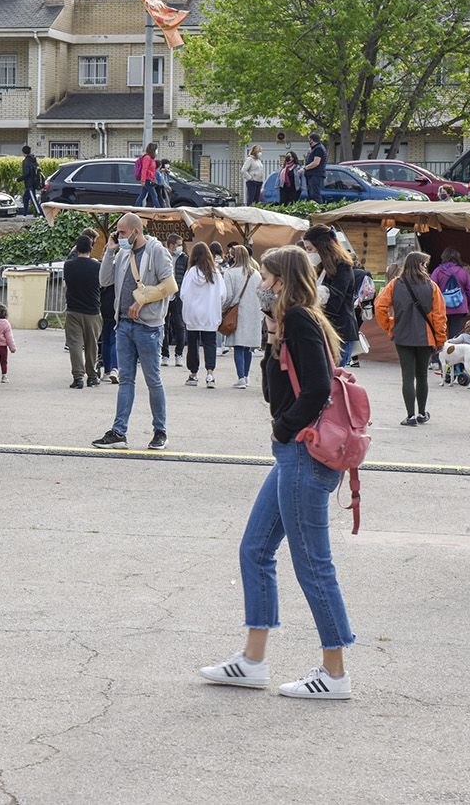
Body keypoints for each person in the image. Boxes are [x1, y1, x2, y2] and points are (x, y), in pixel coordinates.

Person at [198, 245, 356, 699]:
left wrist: (285, 430)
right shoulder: (291, 324)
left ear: (282, 281)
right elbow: (274, 390)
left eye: (265, 280)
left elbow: (317, 390)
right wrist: (272, 336)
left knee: (312, 564)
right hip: (295, 453)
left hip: (303, 454)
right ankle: (252, 660)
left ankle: (335, 673)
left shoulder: (304, 321)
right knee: (255, 549)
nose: (260, 287)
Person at [91, 211, 176, 450]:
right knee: (126, 379)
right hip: (124, 325)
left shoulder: (157, 251)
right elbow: (104, 279)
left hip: (148, 327)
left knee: (153, 380)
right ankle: (119, 432)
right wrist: (109, 250)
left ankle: (160, 431)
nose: (119, 236)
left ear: (136, 231)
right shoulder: (123, 252)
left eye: (123, 232)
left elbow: (170, 285)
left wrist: (142, 300)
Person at [375, 251, 446, 426]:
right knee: (422, 375)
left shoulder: (394, 284)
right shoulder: (432, 286)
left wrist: (389, 325)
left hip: (402, 335)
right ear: (421, 265)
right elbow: (439, 316)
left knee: (407, 375)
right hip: (425, 337)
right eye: (425, 264)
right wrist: (440, 339)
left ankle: (410, 416)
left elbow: (379, 306)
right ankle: (422, 413)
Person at [303, 225, 359, 366]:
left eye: (309, 249)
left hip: (338, 332)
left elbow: (335, 303)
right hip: (322, 329)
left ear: (321, 246)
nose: (308, 253)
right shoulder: (320, 267)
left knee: (331, 379)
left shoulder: (342, 266)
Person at [179, 242, 224, 388]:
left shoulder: (190, 273)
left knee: (193, 345)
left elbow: (183, 294)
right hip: (210, 315)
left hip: (192, 315)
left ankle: (193, 375)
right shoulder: (215, 273)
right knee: (210, 343)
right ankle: (210, 375)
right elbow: (223, 294)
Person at [219, 243, 263, 389]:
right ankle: (247, 376)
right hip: (254, 313)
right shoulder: (255, 273)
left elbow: (228, 295)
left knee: (238, 346)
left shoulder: (231, 273)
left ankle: (241, 378)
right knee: (247, 347)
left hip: (238, 313)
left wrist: (223, 309)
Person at [63, 235, 103, 389]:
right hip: (92, 310)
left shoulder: (68, 266)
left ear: (76, 248)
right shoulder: (97, 266)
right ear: (91, 248)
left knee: (75, 345)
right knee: (92, 345)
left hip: (73, 310)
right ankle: (92, 376)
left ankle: (78, 377)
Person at [429, 247, 470, 338]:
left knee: (440, 335)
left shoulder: (438, 271)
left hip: (441, 308)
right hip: (459, 308)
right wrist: (467, 303)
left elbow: (431, 290)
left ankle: (441, 352)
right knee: (455, 337)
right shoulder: (463, 272)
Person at [161, 235, 189, 366]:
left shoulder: (184, 259)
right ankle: (164, 355)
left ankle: (179, 354)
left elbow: (186, 276)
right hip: (163, 295)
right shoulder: (162, 255)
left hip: (178, 296)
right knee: (163, 325)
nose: (181, 247)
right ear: (171, 245)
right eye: (179, 244)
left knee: (179, 325)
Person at [19, 146, 44, 216]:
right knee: (25, 198)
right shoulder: (33, 160)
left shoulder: (26, 161)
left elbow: (26, 174)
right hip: (34, 182)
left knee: (34, 200)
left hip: (29, 184)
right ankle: (24, 215)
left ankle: (40, 215)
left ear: (23, 152)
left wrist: (18, 179)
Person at [303, 132, 328, 203]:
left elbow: (316, 162)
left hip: (316, 175)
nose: (309, 141)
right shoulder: (314, 149)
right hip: (311, 175)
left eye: (309, 139)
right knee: (311, 195)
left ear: (311, 140)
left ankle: (318, 210)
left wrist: (305, 168)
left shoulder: (319, 148)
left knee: (315, 196)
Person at [136, 143, 161, 207]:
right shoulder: (147, 158)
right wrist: (143, 180)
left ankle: (135, 208)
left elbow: (152, 170)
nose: (156, 151)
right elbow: (144, 169)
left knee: (142, 195)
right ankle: (160, 210)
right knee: (154, 195)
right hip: (147, 180)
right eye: (155, 149)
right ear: (152, 150)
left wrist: (154, 177)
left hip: (150, 179)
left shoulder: (151, 159)